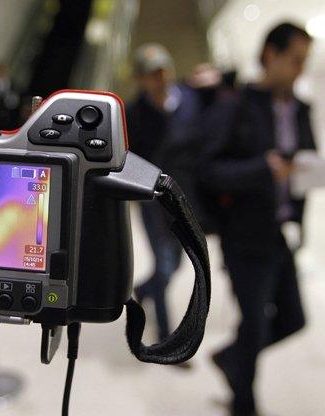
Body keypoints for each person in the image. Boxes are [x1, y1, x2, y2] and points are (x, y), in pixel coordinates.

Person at [201, 23, 325, 416]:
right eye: (295, 61)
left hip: (279, 232)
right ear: (270, 55)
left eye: (305, 62)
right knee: (254, 323)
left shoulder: (302, 108)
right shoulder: (234, 105)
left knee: (293, 318)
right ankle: (245, 403)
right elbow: (208, 170)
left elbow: (306, 164)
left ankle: (231, 359)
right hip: (243, 235)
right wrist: (262, 169)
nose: (300, 70)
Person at [126, 44, 208, 348]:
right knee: (163, 264)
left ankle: (146, 290)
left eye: (163, 71)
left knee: (176, 264)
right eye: (151, 74)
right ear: (141, 79)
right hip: (153, 201)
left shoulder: (189, 100)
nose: (159, 78)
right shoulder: (135, 113)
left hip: (185, 199)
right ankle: (166, 337)